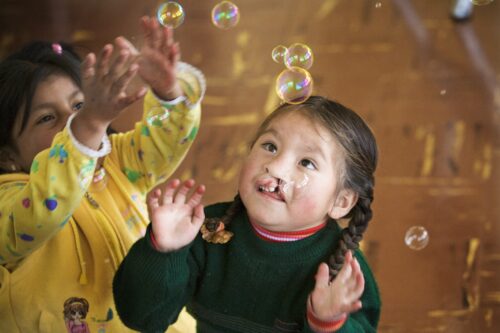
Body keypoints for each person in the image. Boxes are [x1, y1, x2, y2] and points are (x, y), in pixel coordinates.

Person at [0, 16, 203, 332]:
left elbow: (167, 140)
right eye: (47, 118)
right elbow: (43, 210)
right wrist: (88, 124)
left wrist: (168, 93)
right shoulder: (8, 199)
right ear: (8, 155)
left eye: (80, 106)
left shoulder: (120, 161)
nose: (71, 122)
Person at [113, 95, 381, 332]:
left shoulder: (341, 271)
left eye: (307, 162)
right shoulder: (207, 232)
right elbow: (143, 319)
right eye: (270, 146)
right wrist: (164, 252)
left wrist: (328, 323)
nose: (275, 167)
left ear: (341, 201)